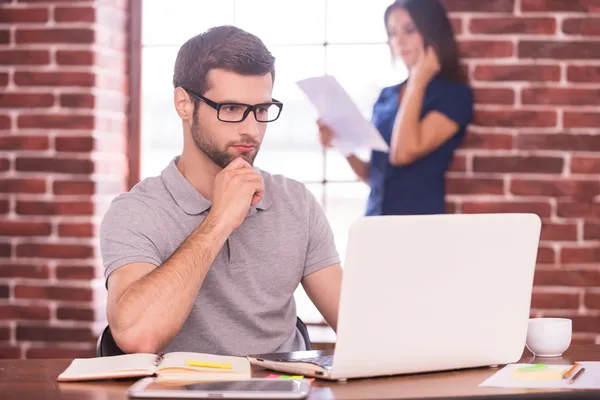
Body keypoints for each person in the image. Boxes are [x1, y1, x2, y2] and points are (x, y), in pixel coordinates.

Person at [100, 26, 343, 356]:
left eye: (262, 110)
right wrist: (219, 221)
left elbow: (361, 327)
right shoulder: (136, 212)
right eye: (230, 109)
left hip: (283, 390)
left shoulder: (295, 202)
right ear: (184, 104)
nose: (251, 129)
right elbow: (137, 337)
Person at [318, 0, 474, 216]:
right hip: (375, 220)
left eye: (409, 30)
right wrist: (341, 143)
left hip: (417, 224)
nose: (399, 41)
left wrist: (418, 79)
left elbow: (402, 153)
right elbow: (373, 175)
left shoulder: (452, 95)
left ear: (432, 33)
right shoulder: (387, 95)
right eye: (392, 33)